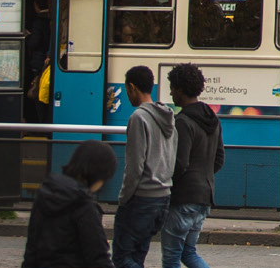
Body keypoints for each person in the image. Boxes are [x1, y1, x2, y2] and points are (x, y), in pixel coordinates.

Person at [113, 65, 178, 268]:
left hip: (141, 199)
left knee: (122, 259)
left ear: (132, 87)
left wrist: (123, 198)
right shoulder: (169, 117)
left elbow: (135, 166)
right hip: (163, 198)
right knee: (137, 256)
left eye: (127, 90)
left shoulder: (138, 118)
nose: (128, 95)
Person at [163, 63, 224, 268]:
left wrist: (167, 182)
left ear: (180, 89)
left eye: (172, 87)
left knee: (172, 258)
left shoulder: (182, 121)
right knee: (188, 253)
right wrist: (202, 176)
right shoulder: (213, 119)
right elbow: (219, 159)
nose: (171, 92)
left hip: (183, 198)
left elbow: (179, 163)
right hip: (205, 197)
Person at [23, 139, 119, 268]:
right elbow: (98, 257)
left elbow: (32, 250)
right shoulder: (83, 204)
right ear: (98, 174)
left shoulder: (46, 194)